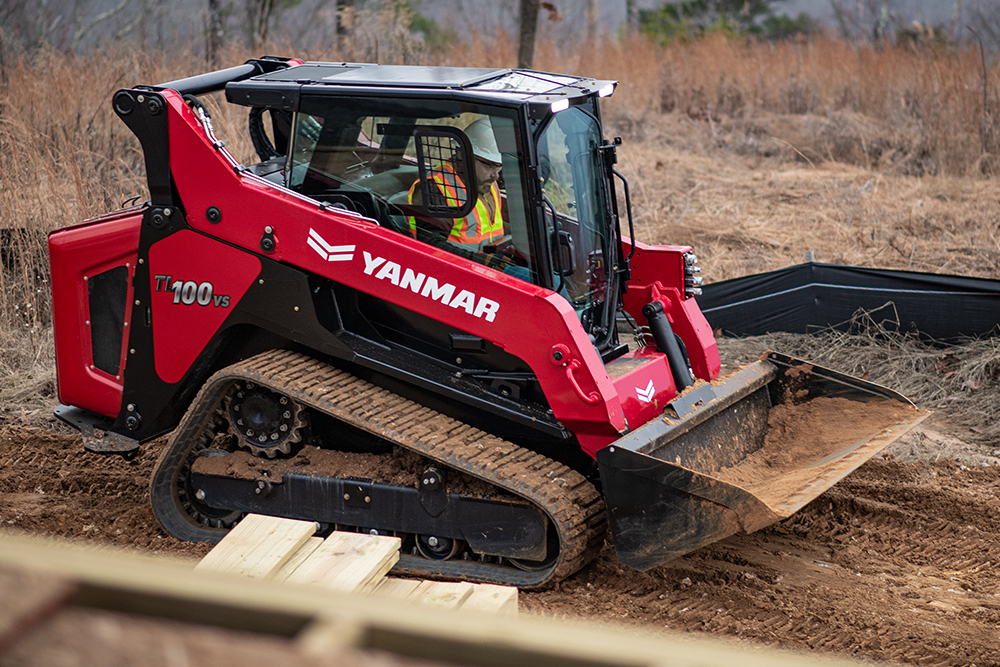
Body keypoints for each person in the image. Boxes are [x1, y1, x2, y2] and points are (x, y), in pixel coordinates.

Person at [406, 118, 505, 252]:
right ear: (464, 155)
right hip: (457, 269)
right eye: (488, 165)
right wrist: (483, 261)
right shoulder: (434, 187)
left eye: (498, 167)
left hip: (493, 265)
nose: (496, 175)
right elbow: (431, 245)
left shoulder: (488, 182)